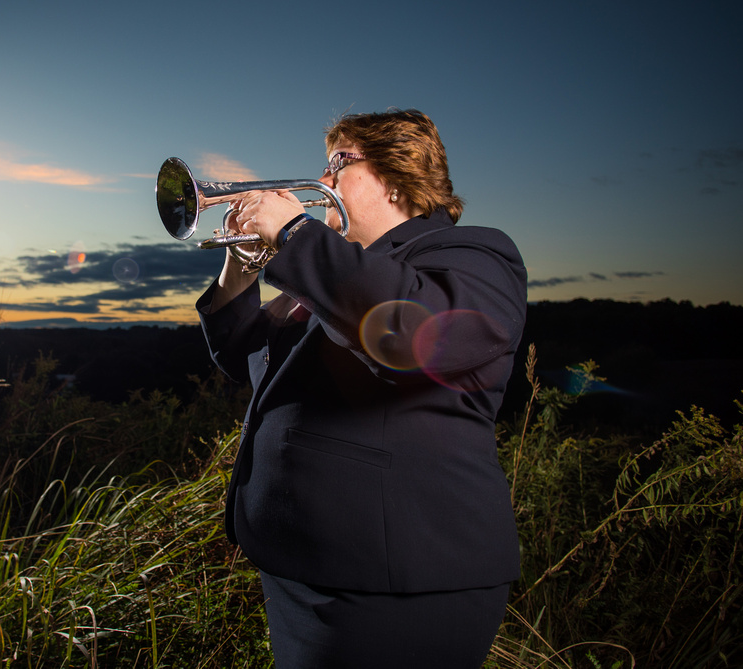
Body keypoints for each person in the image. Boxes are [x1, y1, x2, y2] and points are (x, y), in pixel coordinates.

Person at [196, 109, 527, 668]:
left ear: (399, 178)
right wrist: (240, 269)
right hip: (309, 564)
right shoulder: (331, 281)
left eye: (338, 164)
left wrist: (296, 234)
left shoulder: (471, 253)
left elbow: (415, 332)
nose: (321, 182)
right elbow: (244, 357)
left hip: (396, 574)